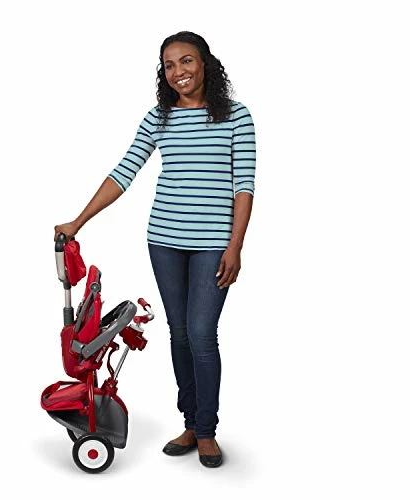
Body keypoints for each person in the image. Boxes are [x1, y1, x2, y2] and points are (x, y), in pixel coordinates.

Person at [54, 31, 256, 468]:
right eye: (169, 65)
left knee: (201, 333)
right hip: (164, 240)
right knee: (179, 332)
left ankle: (207, 430)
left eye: (187, 61)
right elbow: (123, 172)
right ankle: (190, 423)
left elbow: (244, 185)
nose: (178, 71)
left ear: (205, 63)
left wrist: (235, 246)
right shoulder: (159, 118)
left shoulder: (237, 116)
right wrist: (78, 221)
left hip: (213, 245)